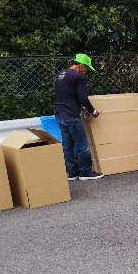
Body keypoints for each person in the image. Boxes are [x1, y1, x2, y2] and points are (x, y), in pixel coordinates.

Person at [54, 53, 104, 181]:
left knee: (67, 144)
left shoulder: (60, 74)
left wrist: (80, 107)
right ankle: (85, 171)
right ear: (81, 65)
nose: (86, 71)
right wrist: (93, 111)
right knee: (82, 143)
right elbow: (82, 98)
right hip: (71, 115)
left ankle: (72, 172)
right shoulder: (78, 77)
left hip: (59, 113)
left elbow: (67, 96)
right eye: (87, 68)